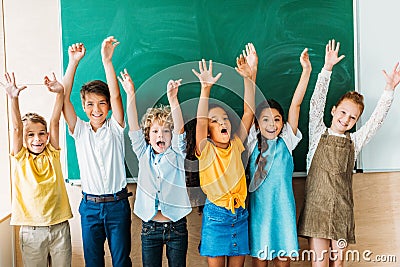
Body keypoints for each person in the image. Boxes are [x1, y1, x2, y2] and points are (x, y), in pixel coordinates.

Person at [297, 39, 400, 267]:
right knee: (319, 264)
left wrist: (389, 90)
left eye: (352, 118)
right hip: (317, 210)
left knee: (339, 265)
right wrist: (327, 69)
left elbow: (376, 121)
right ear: (333, 110)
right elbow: (316, 103)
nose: (345, 119)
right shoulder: (317, 133)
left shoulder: (354, 141)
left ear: (355, 122)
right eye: (343, 112)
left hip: (342, 212)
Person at [62, 37, 132, 267]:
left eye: (102, 103)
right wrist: (73, 63)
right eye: (90, 104)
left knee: (121, 262)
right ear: (83, 107)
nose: (96, 109)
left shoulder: (115, 128)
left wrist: (107, 60)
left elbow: (116, 95)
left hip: (117, 205)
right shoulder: (79, 131)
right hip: (90, 207)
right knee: (93, 262)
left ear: (108, 107)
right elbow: (63, 99)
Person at [118, 68, 192, 267]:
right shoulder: (143, 154)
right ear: (148, 136)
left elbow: (180, 130)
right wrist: (130, 94)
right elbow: (133, 126)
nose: (161, 135)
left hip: (177, 226)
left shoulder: (177, 154)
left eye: (166, 131)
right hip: (150, 228)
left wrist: (173, 100)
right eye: (156, 131)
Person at [247, 48, 312, 267]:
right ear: (257, 123)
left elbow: (296, 104)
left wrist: (306, 72)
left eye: (276, 119)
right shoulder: (251, 142)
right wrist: (252, 72)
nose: (271, 124)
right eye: (265, 120)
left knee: (283, 263)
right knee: (260, 261)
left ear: (283, 123)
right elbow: (249, 107)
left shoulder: (287, 140)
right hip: (259, 213)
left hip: (283, 212)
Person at [192, 43, 256, 267]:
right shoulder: (206, 150)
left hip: (239, 213)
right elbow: (200, 121)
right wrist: (205, 89)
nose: (222, 123)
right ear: (209, 131)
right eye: (215, 121)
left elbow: (248, 111)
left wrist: (249, 78)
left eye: (225, 119)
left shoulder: (237, 144)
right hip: (216, 216)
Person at [3, 72, 73, 266]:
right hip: (31, 231)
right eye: (31, 135)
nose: (37, 139)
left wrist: (60, 93)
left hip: (59, 227)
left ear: (47, 135)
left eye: (41, 134)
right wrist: (13, 98)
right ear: (24, 139)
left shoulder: (52, 154)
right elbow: (16, 129)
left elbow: (55, 121)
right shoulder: (21, 158)